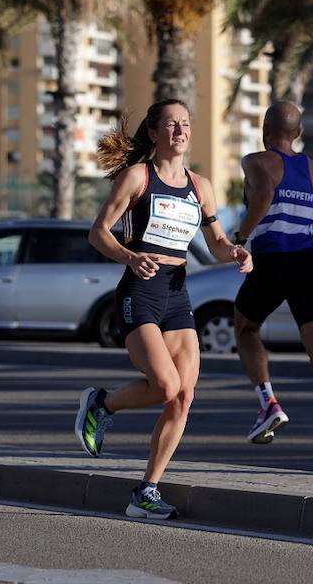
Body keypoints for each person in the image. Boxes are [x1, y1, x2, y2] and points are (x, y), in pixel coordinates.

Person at [74, 98, 252, 519]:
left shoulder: (200, 186)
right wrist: (130, 257)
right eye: (170, 125)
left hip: (177, 293)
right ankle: (102, 403)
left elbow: (216, 243)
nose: (179, 131)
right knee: (166, 385)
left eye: (185, 124)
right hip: (141, 290)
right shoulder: (138, 177)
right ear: (153, 133)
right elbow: (98, 233)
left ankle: (146, 491)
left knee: (184, 397)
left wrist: (237, 253)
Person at [230, 101, 313, 474]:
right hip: (306, 262)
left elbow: (262, 197)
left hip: (273, 259)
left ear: (264, 129)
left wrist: (241, 236)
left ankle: (268, 403)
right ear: (299, 133)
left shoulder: (255, 161)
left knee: (244, 327)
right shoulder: (310, 167)